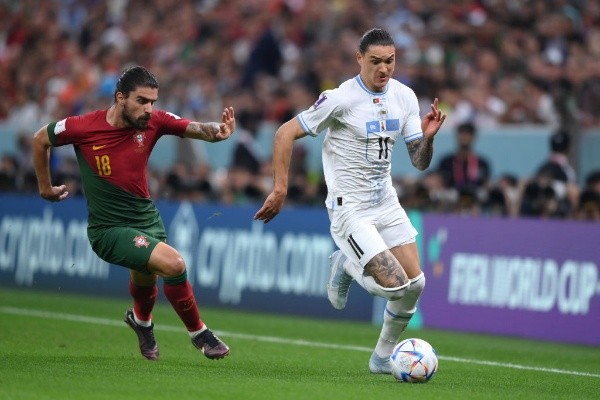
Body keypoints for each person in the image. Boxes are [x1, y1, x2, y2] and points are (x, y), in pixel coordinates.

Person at [254, 28, 446, 374]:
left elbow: (419, 162)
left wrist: (428, 138)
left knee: (416, 284)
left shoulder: (404, 96)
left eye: (390, 61)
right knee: (395, 287)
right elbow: (285, 133)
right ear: (359, 59)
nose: (384, 68)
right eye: (375, 61)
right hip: (350, 208)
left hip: (385, 202)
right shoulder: (339, 99)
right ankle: (345, 263)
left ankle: (381, 358)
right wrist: (280, 188)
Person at [32, 66, 234, 361]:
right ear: (120, 98)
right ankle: (200, 334)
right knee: (174, 264)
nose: (149, 109)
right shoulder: (83, 127)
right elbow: (40, 139)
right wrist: (45, 187)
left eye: (153, 101)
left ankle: (141, 322)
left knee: (145, 277)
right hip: (108, 230)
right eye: (141, 101)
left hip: (147, 220)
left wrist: (218, 131)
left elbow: (199, 128)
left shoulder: (154, 121)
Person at [436, 122, 491, 204]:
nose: (464, 137)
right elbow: (439, 184)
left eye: (468, 134)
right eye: (462, 133)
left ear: (473, 137)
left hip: (475, 203)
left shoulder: (482, 163)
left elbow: (486, 186)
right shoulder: (446, 162)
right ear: (457, 136)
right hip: (451, 203)